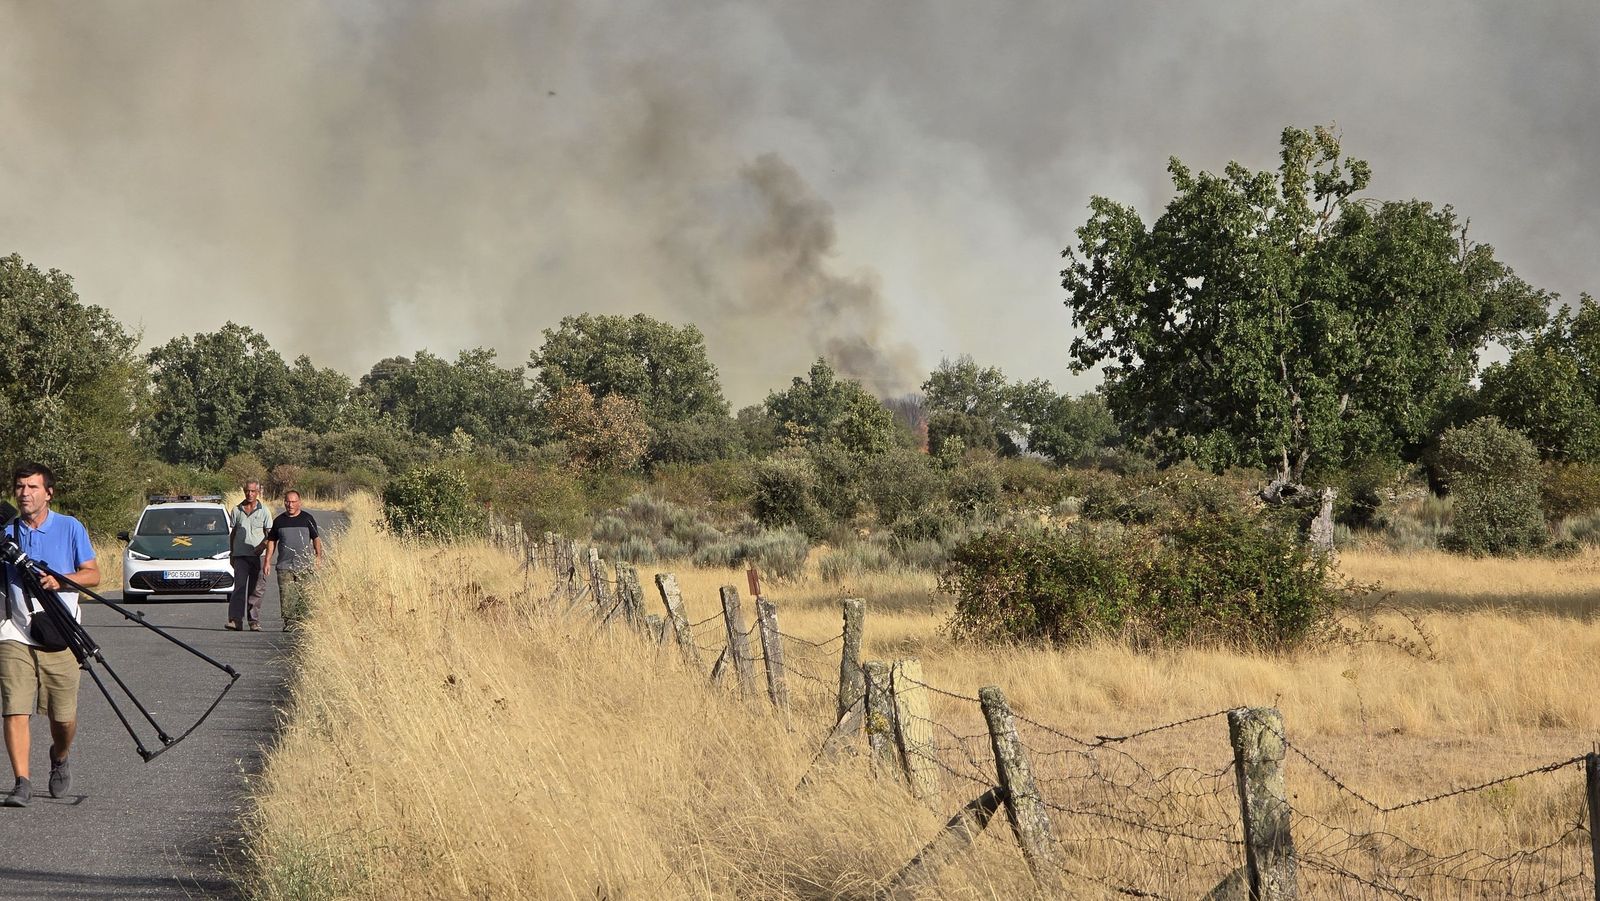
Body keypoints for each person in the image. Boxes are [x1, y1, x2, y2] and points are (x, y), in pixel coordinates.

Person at [0, 462, 98, 808]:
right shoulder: (5, 532)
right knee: (14, 707)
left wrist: (61, 580)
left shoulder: (70, 527)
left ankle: (60, 755)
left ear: (48, 493)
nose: (24, 493)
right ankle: (21, 783)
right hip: (16, 632)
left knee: (63, 719)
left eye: (32, 487)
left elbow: (93, 575)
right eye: (20, 487)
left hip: (61, 634)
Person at [264, 490, 321, 629]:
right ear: (284, 502)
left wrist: (318, 556)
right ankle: (289, 623)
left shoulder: (307, 519)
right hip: (285, 566)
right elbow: (271, 541)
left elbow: (316, 539)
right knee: (286, 596)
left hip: (305, 565)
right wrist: (267, 561)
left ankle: (303, 622)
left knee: (304, 594)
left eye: (293, 502)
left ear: (299, 503)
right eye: (288, 502)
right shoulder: (279, 521)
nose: (290, 505)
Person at [226, 480, 273, 632]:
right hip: (240, 556)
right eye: (247, 491)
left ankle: (254, 621)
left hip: (259, 557)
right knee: (239, 587)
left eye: (253, 491)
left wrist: (262, 547)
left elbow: (271, 535)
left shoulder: (264, 511)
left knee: (257, 589)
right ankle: (235, 620)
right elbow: (233, 533)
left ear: (258, 492)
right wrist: (232, 553)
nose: (250, 494)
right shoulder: (236, 510)